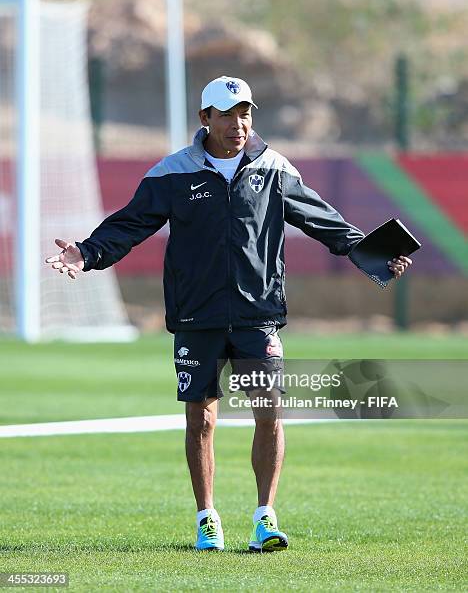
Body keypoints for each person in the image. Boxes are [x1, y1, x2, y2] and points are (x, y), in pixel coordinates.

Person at [46, 75, 412, 552]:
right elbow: (130, 224)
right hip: (196, 316)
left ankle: (265, 516)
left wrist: (373, 253)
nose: (239, 124)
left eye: (246, 113)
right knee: (200, 419)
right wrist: (87, 252)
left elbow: (323, 219)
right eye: (228, 114)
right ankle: (206, 518)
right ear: (205, 119)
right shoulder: (173, 172)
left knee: (271, 411)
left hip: (257, 314)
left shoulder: (274, 167)